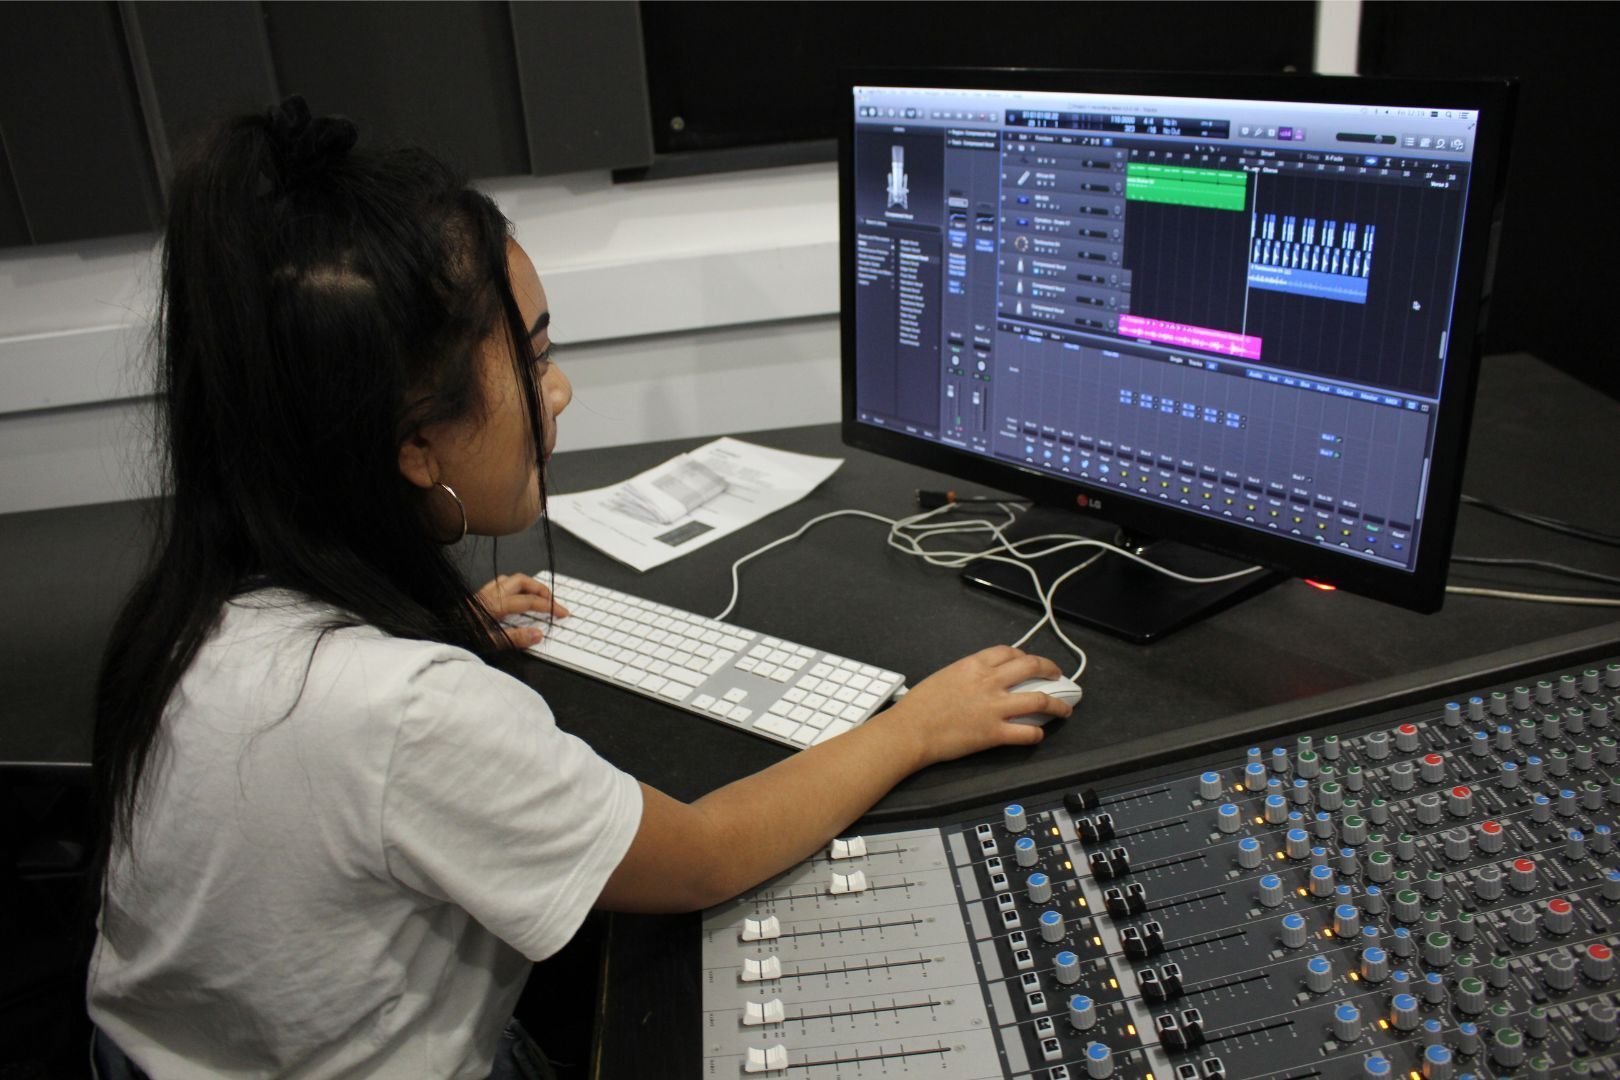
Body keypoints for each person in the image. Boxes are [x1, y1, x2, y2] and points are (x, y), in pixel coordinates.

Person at [86, 99, 1071, 1079]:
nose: (558, 392)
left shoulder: (202, 616)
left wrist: (444, 626)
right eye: (537, 355)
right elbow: (701, 856)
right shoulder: (404, 713)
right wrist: (912, 727)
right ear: (418, 444)